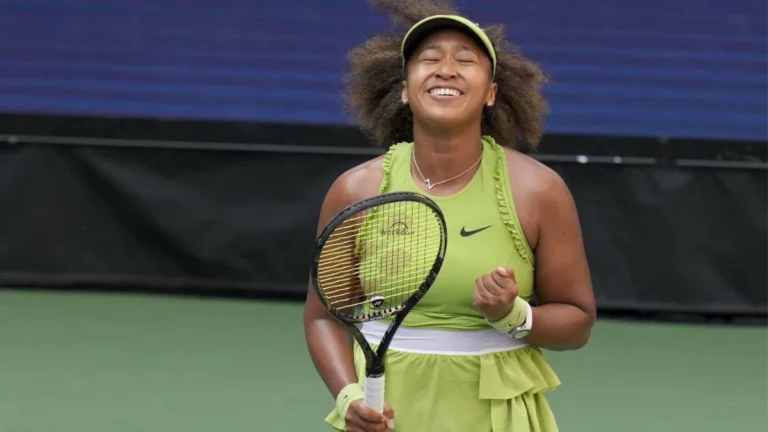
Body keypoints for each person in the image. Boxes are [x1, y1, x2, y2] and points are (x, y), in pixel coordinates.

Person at [303, 1, 596, 431]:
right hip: (389, 413)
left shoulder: (539, 190)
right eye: (429, 59)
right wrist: (349, 397)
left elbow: (577, 322)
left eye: (465, 60)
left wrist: (514, 315)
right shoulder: (355, 190)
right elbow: (322, 315)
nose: (446, 70)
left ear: (492, 93)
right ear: (404, 87)